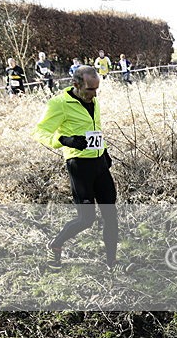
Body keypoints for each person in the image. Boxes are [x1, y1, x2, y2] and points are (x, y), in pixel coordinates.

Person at [33, 66, 127, 274]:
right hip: (79, 166)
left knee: (110, 215)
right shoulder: (59, 104)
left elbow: (95, 130)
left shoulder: (93, 100)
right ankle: (55, 244)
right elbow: (39, 132)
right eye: (90, 90)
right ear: (75, 85)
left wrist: (104, 152)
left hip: (100, 164)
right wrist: (64, 140)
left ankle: (112, 263)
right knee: (86, 219)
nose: (94, 95)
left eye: (96, 89)